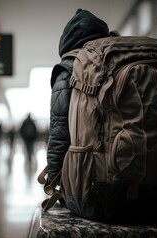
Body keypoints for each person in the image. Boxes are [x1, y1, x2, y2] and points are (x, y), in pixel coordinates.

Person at [46, 9, 110, 185]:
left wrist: (53, 181)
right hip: (156, 185)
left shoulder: (68, 69)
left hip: (94, 186)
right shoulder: (116, 62)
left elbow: (59, 135)